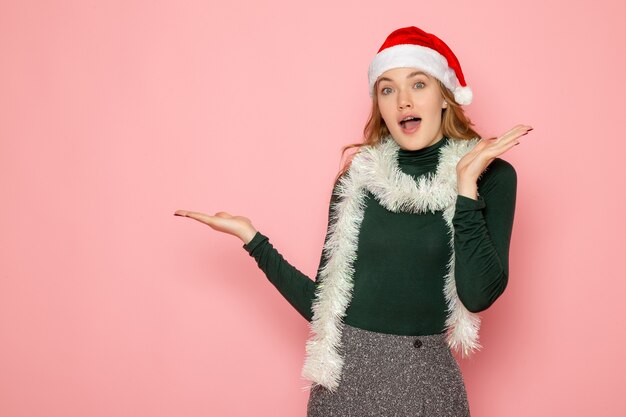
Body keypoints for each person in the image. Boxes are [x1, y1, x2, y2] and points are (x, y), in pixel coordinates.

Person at [175, 25, 532, 417]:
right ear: (378, 102)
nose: (402, 102)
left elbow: (478, 294)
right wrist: (253, 239)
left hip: (425, 388)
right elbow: (327, 306)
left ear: (445, 96)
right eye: (387, 89)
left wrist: (466, 185)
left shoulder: (491, 177)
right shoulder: (358, 178)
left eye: (418, 84)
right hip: (345, 386)